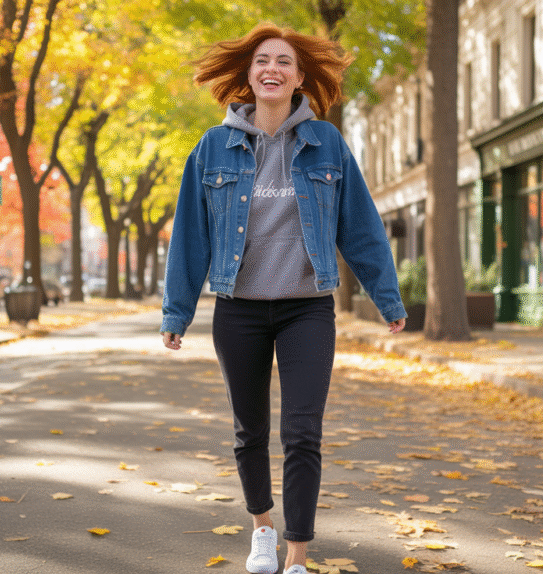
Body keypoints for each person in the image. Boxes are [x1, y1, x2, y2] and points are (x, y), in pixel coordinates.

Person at [160, 23, 406, 574]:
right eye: (262, 60)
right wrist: (177, 310)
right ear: (248, 76)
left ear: (299, 79)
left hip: (306, 308)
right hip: (239, 309)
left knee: (302, 432)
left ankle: (296, 556)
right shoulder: (212, 147)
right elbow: (191, 237)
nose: (272, 68)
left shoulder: (326, 144)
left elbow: (360, 227)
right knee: (249, 431)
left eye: (284, 61)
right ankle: (262, 530)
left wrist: (387, 298)